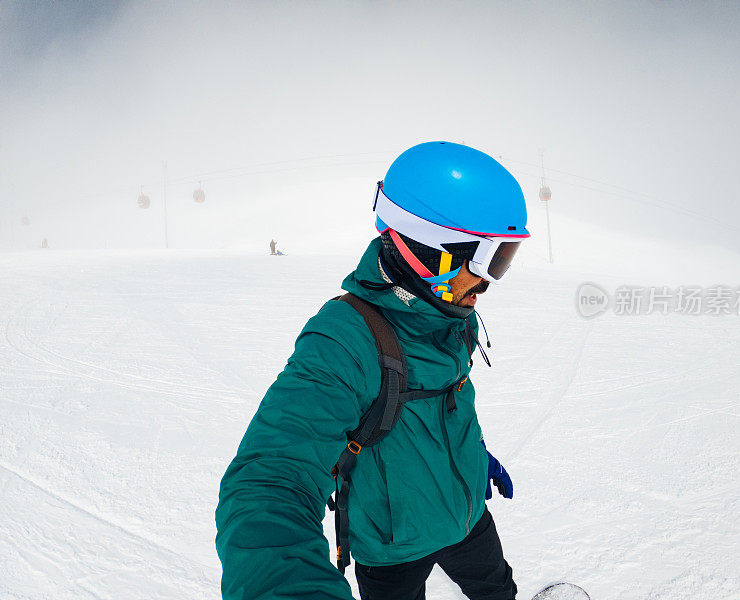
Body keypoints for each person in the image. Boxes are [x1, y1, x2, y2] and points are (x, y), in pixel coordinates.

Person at [216, 141, 530, 600]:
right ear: (426, 248)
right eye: (484, 258)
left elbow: (446, 404)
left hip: (466, 517)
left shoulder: (448, 313)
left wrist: (470, 455)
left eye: (504, 257)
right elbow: (269, 483)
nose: (486, 280)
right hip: (391, 546)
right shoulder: (344, 339)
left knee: (498, 590)